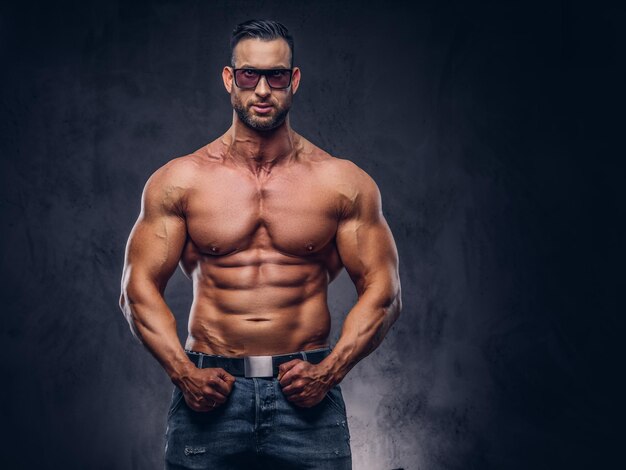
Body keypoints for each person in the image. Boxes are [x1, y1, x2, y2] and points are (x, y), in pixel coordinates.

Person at [119, 19, 402, 470]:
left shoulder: (342, 183)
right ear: (230, 79)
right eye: (250, 74)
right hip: (209, 397)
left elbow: (384, 293)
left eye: (276, 76)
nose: (263, 90)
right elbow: (136, 291)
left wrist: (329, 372)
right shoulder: (181, 180)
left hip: (307, 398)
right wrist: (183, 374)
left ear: (294, 80)